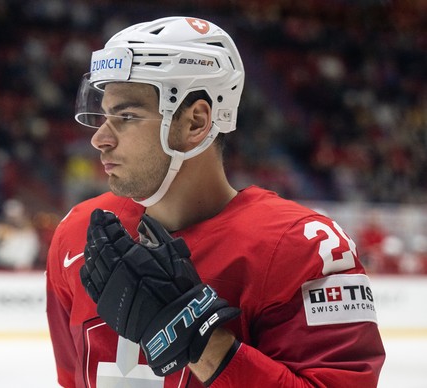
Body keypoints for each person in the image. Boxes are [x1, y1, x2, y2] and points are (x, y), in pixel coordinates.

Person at [46, 16, 385, 387]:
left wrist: (199, 340)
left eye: (126, 116)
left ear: (196, 123)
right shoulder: (79, 233)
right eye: (104, 115)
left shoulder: (303, 247)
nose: (100, 139)